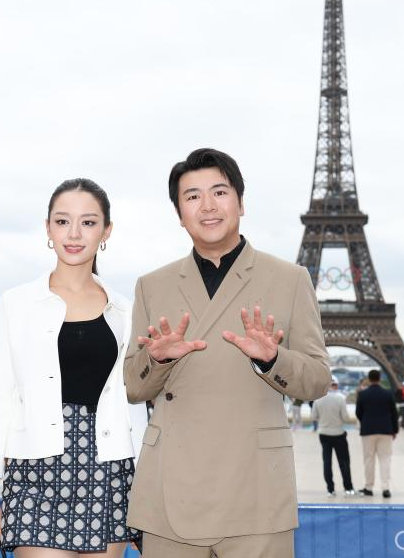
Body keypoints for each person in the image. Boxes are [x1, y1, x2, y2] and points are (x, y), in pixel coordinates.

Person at [124, 149, 331, 557]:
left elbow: (318, 381)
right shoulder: (152, 285)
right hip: (172, 488)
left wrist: (272, 359)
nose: (208, 206)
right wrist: (159, 360)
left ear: (241, 202)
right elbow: (133, 387)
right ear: (179, 213)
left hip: (256, 489)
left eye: (219, 192)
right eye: (192, 196)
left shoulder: (290, 279)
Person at [0, 178, 148, 556]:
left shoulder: (127, 310)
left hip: (110, 466)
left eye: (88, 222)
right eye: (63, 221)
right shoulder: (16, 304)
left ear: (106, 231)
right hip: (34, 468)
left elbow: (136, 403)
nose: (74, 233)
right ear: (48, 228)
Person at [356, 369, 398, 498]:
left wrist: (366, 422)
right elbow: (394, 413)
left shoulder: (362, 394)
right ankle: (385, 488)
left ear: (369, 379)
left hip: (368, 431)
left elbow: (358, 413)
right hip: (385, 430)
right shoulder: (388, 394)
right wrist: (394, 430)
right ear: (380, 379)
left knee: (369, 460)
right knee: (385, 459)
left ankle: (369, 487)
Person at [312, 379, 355, 497]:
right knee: (344, 462)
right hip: (338, 433)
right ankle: (348, 488)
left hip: (324, 434)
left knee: (327, 462)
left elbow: (314, 416)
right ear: (335, 386)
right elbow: (345, 418)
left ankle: (330, 489)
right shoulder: (340, 398)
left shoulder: (318, 399)